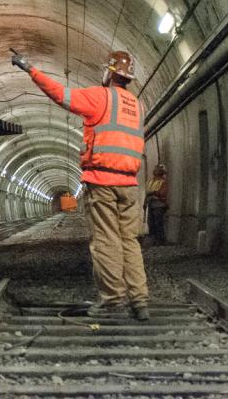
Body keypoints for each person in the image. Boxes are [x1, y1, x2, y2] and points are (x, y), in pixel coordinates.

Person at [11, 49, 150, 321]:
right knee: (129, 242)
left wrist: (31, 69)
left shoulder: (101, 97)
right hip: (130, 185)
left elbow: (61, 95)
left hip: (102, 182)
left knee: (105, 241)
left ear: (109, 73)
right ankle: (140, 301)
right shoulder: (138, 106)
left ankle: (113, 300)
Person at [144, 164, 168, 243]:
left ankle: (159, 239)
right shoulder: (150, 182)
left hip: (159, 204)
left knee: (158, 222)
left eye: (158, 169)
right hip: (151, 204)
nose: (156, 170)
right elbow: (147, 193)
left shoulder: (163, 182)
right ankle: (153, 238)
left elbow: (162, 193)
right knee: (150, 222)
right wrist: (145, 202)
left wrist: (154, 193)